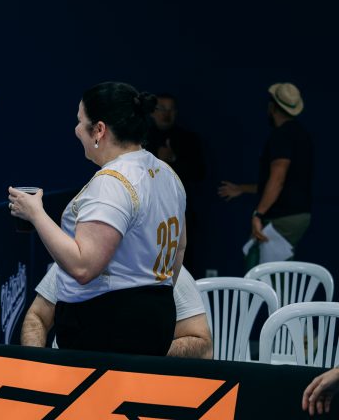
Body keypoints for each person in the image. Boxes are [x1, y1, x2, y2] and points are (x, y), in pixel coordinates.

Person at [8, 81, 186, 356]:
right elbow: (179, 247)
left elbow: (83, 267)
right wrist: (152, 298)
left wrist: (36, 214)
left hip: (106, 327)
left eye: (80, 121)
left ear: (99, 130)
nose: (76, 129)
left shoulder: (111, 183)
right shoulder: (167, 173)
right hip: (157, 317)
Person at [21, 263, 212, 359]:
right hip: (69, 375)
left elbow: (204, 346)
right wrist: (36, 367)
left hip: (138, 381)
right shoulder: (72, 260)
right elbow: (37, 316)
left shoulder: (164, 269)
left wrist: (150, 349)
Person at [218, 83, 314, 264]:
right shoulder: (302, 135)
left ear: (272, 107)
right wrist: (242, 189)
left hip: (283, 216)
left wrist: (258, 214)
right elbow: (281, 183)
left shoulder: (282, 135)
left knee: (260, 268)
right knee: (276, 268)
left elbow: (278, 178)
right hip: (298, 215)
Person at [145, 93, 205, 275]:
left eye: (171, 109)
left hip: (180, 213)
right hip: (147, 213)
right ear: (152, 112)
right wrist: (157, 158)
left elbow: (199, 173)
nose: (166, 114)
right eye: (162, 109)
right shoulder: (140, 140)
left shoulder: (189, 139)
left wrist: (172, 159)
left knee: (183, 265)